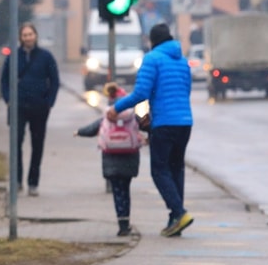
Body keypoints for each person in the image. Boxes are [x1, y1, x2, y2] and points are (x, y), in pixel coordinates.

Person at [106, 23, 193, 237]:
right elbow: (186, 90)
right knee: (176, 169)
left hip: (164, 123)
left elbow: (141, 93)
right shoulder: (182, 61)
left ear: (152, 41)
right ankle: (175, 220)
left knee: (159, 170)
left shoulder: (152, 59)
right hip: (185, 122)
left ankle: (179, 212)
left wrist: (116, 108)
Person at [75, 83, 145, 237]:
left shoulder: (106, 117)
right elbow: (147, 125)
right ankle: (126, 222)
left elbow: (91, 129)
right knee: (126, 190)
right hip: (129, 159)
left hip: (111, 160)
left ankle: (121, 224)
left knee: (117, 192)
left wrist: (78, 132)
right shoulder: (133, 117)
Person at [0, 22, 60, 196]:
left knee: (37, 145)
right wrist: (8, 100)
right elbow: (4, 80)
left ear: (35, 36)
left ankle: (33, 183)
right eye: (24, 35)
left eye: (30, 34)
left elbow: (55, 81)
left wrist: (49, 102)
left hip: (39, 107)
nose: (28, 38)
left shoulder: (46, 57)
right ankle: (17, 181)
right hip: (18, 106)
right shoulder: (13, 57)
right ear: (21, 37)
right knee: (16, 143)